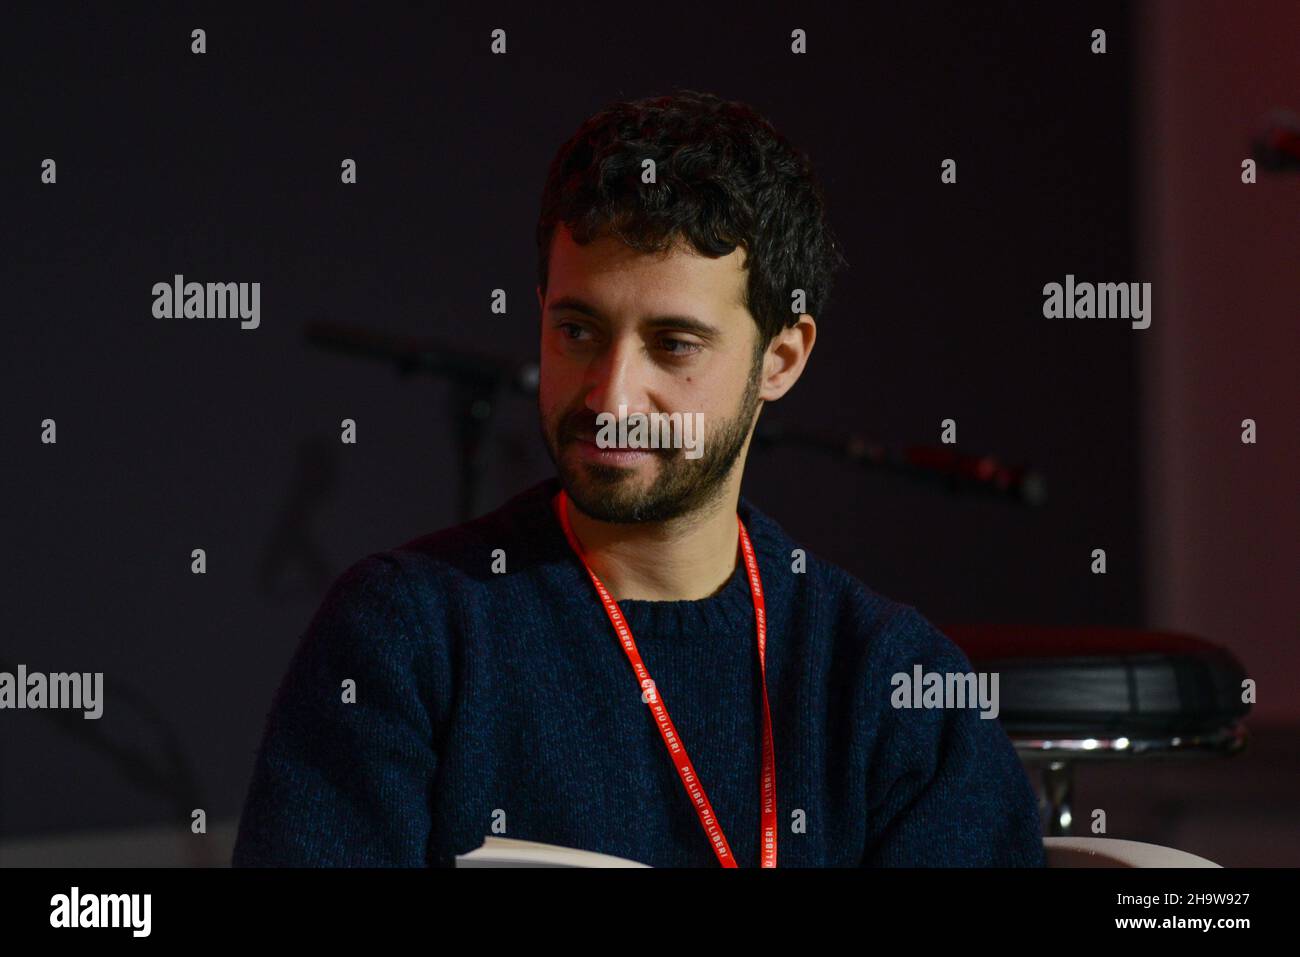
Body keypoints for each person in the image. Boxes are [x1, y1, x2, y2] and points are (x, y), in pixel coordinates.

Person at [232, 89, 1046, 867]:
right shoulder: (407, 634)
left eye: (674, 343)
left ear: (782, 358)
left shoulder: (890, 683)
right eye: (578, 329)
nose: (611, 395)